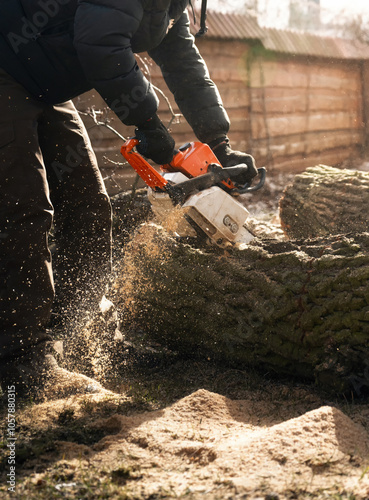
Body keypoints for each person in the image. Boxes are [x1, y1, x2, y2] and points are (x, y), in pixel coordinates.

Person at [0, 0, 257, 399]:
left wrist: (220, 145)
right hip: (6, 66)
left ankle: (80, 335)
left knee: (89, 206)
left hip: (43, 83)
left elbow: (184, 64)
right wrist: (147, 121)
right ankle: (20, 363)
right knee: (24, 212)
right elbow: (100, 43)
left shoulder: (174, 6)